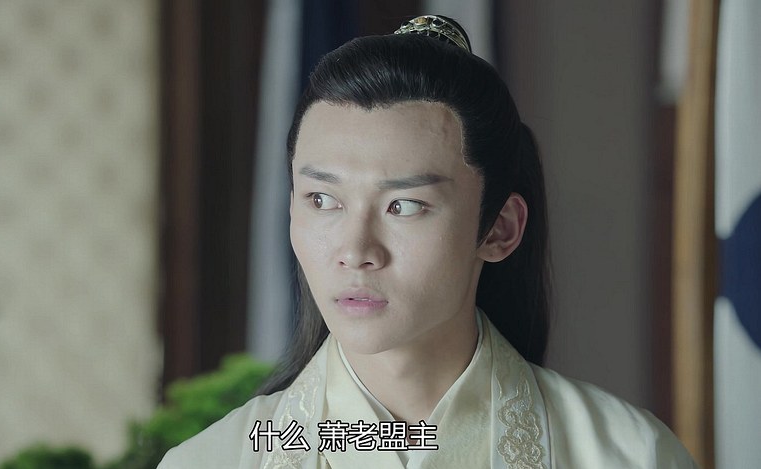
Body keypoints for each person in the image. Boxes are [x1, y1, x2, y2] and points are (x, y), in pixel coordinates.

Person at [158, 15, 698, 469]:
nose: (356, 250)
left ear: (499, 228)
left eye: (405, 206)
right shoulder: (214, 461)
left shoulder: (628, 455)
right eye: (322, 200)